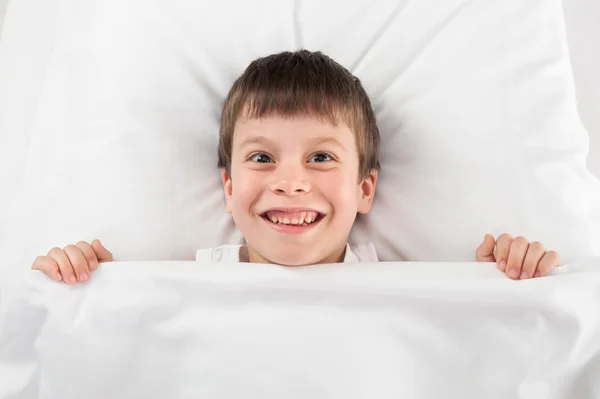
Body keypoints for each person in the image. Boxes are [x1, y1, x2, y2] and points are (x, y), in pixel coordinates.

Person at [30, 50, 561, 283]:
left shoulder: (402, 284)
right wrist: (72, 278)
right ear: (228, 187)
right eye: (262, 158)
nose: (290, 181)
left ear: (365, 189)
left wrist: (511, 276)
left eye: (321, 157)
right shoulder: (189, 279)